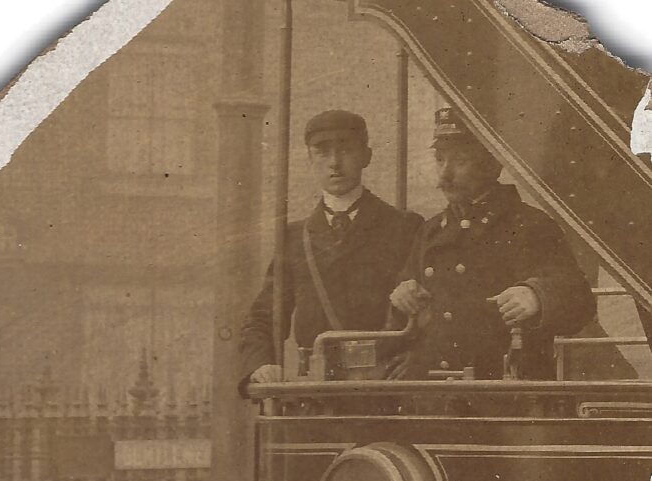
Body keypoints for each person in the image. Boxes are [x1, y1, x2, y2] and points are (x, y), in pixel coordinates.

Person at [388, 107, 596, 379]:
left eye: (459, 161)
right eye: (440, 160)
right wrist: (402, 297)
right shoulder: (430, 232)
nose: (444, 175)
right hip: (436, 390)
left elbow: (580, 301)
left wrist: (537, 296)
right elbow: (403, 316)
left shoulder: (529, 225)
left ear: (492, 164)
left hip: (507, 392)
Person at [239, 109, 423, 391]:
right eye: (322, 152)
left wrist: (416, 358)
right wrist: (261, 364)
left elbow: (429, 311)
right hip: (317, 389)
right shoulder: (294, 238)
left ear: (366, 156)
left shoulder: (404, 228)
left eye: (346, 149)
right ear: (309, 159)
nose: (334, 163)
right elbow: (263, 318)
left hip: (385, 387)